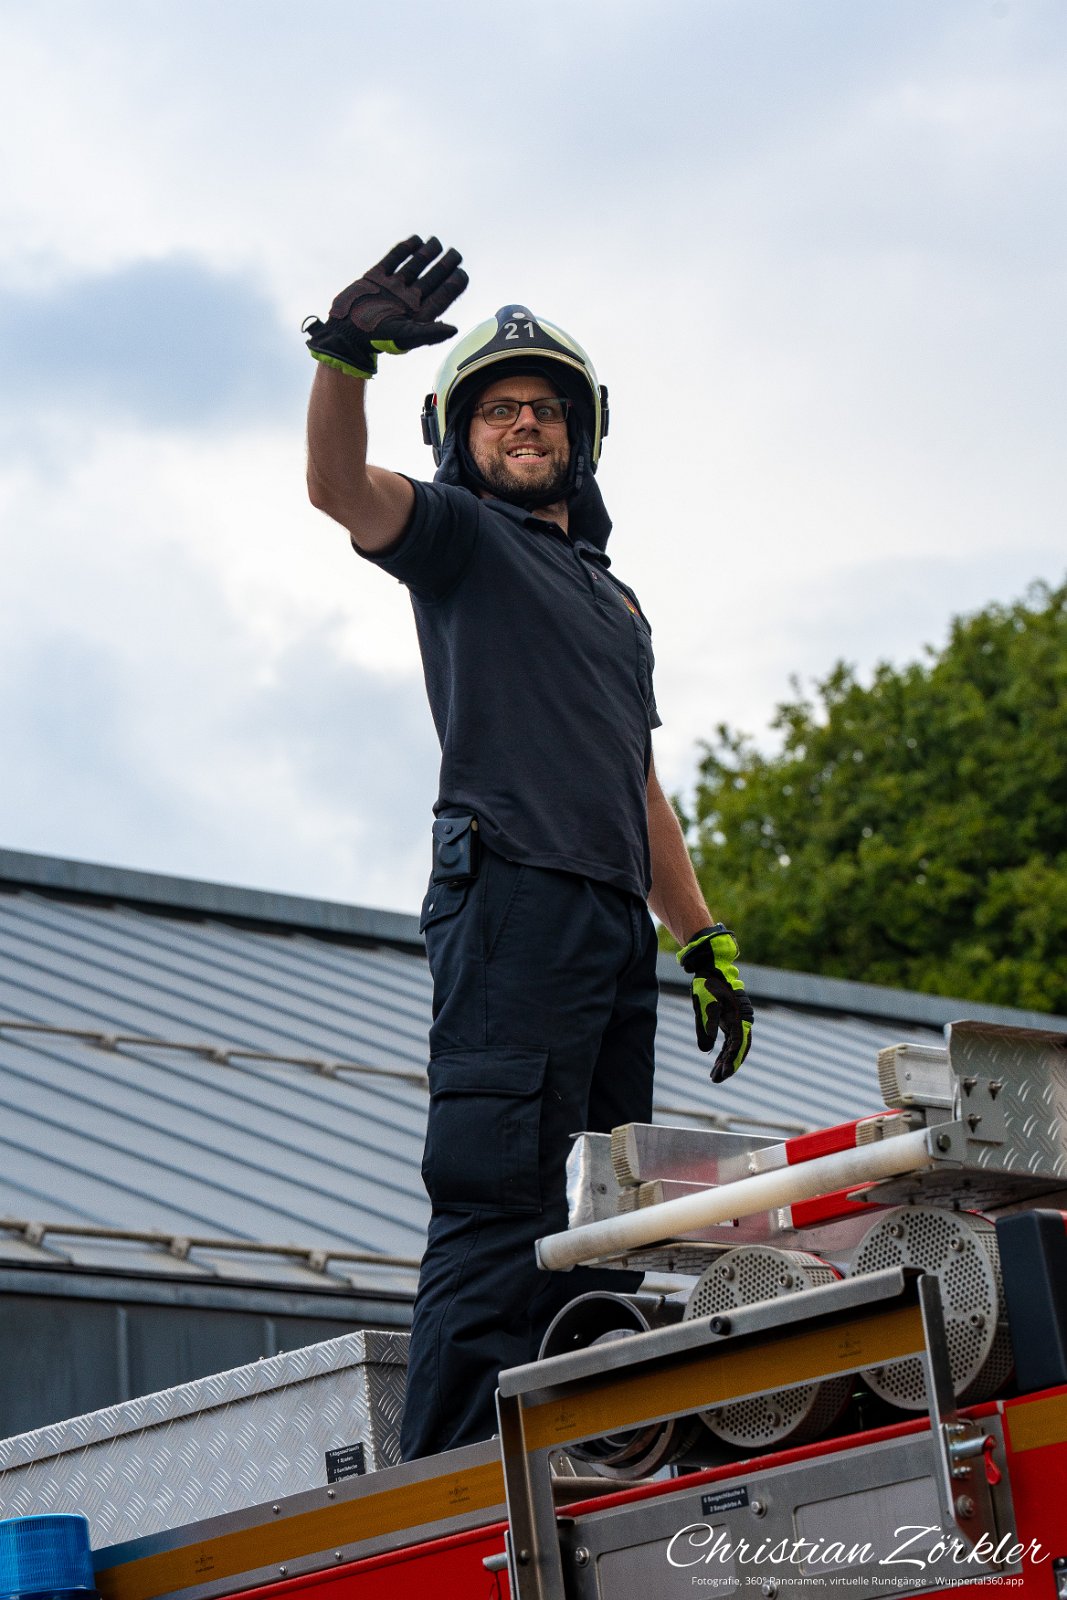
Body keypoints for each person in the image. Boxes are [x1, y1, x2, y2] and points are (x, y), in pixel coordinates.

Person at [304, 235, 754, 1461]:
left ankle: (572, 1458)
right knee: (498, 1204)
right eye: (497, 408)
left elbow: (636, 780)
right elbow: (338, 488)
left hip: (609, 927)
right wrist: (344, 357)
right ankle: (453, 1486)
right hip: (508, 897)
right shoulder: (457, 537)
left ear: (579, 434)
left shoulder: (618, 602)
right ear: (462, 436)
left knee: (607, 1215)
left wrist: (700, 939)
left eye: (544, 408)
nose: (523, 423)